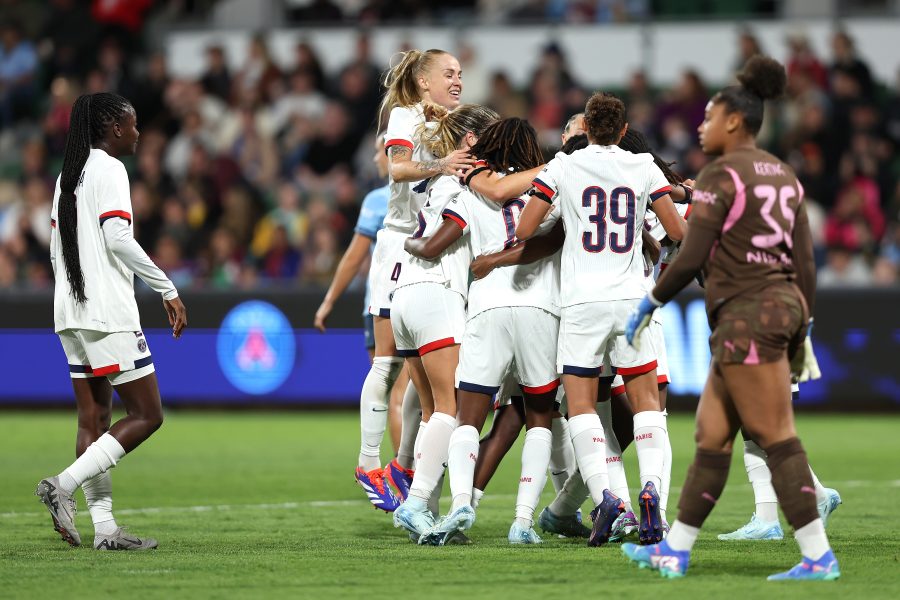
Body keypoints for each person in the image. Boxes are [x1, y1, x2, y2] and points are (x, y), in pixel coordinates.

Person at [622, 56, 839, 581]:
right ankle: (674, 549)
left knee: (775, 436)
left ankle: (817, 555)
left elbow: (692, 257)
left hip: (747, 311)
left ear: (735, 122)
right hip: (778, 307)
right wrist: (802, 323)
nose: (701, 125)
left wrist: (651, 301)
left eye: (710, 116)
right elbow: (806, 260)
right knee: (713, 435)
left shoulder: (721, 175)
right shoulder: (783, 175)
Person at [515, 92, 686, 547]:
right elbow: (678, 231)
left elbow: (524, 229)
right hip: (631, 300)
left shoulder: (563, 167)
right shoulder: (644, 165)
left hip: (582, 301)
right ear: (624, 130)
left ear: (586, 128)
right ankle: (654, 495)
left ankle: (608, 496)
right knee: (648, 402)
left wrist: (564, 214)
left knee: (584, 405)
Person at [35, 92, 187, 551]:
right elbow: (117, 236)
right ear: (115, 128)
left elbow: (56, 248)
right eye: (134, 124)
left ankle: (104, 530)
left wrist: (70, 297)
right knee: (147, 413)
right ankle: (62, 484)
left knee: (94, 417)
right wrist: (166, 286)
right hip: (106, 312)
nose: (138, 132)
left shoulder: (68, 176)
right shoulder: (110, 168)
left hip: (70, 311)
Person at [405, 118, 562, 545]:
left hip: (486, 309)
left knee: (467, 416)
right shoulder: (548, 185)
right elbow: (556, 238)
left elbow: (441, 238)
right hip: (540, 309)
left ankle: (460, 504)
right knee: (539, 419)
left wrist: (411, 242)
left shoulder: (472, 190)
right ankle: (523, 522)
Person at [354, 48, 471, 510]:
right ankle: (369, 464)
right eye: (449, 73)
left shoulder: (450, 119)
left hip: (436, 248)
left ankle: (403, 468)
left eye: (461, 72)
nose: (458, 79)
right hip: (400, 245)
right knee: (388, 362)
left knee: (421, 372)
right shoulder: (404, 116)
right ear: (424, 81)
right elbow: (397, 168)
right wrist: (442, 165)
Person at [389, 104, 499, 538]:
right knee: (451, 410)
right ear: (470, 141)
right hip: (437, 294)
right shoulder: (466, 182)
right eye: (490, 135)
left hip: (406, 298)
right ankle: (415, 505)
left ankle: (426, 512)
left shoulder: (433, 178)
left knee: (435, 412)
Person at [313, 134, 410, 505]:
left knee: (393, 394)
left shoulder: (377, 200)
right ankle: (411, 484)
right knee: (409, 397)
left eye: (379, 151)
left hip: (380, 306)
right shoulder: (432, 192)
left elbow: (354, 258)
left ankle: (398, 481)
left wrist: (328, 302)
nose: (374, 158)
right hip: (420, 302)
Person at [718, 383, 842, 540]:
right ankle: (768, 520)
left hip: (761, 366)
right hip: (747, 366)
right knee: (753, 435)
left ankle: (771, 520)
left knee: (763, 433)